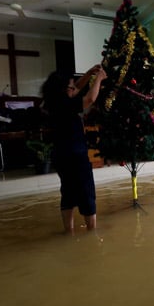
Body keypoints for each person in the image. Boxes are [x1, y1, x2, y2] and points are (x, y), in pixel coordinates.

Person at [41, 65, 107, 234]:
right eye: (70, 86)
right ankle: (92, 233)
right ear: (63, 89)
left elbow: (76, 87)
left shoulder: (53, 102)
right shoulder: (65, 103)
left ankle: (68, 232)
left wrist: (89, 73)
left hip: (60, 155)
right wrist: (98, 78)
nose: (74, 88)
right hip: (75, 155)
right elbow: (90, 99)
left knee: (68, 192)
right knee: (86, 192)